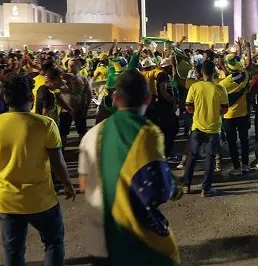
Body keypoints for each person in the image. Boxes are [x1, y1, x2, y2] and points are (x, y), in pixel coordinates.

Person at [78, 70, 182, 265]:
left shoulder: (90, 136)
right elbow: (156, 192)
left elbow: (84, 185)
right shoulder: (146, 132)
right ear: (148, 99)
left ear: (115, 98)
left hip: (99, 240)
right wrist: (175, 187)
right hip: (136, 240)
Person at [0, 75, 75, 265]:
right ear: (31, 98)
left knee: (13, 250)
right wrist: (67, 184)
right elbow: (57, 161)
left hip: (8, 200)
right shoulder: (46, 124)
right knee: (53, 243)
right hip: (42, 199)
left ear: (5, 99)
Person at [183, 60, 228, 197]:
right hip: (213, 128)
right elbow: (225, 109)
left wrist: (197, 113)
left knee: (192, 156)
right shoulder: (220, 88)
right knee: (210, 158)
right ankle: (205, 189)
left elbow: (188, 106)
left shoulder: (195, 87)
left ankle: (186, 186)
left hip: (197, 127)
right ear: (214, 72)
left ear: (202, 72)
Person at [219, 53, 251, 176]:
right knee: (244, 141)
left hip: (228, 117)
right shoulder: (245, 76)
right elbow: (246, 67)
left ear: (227, 68)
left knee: (232, 143)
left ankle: (236, 167)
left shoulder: (223, 84)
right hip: (243, 114)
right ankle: (246, 165)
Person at [60, 58, 92, 148]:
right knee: (63, 132)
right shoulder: (62, 78)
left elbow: (89, 95)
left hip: (79, 109)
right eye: (69, 65)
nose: (70, 67)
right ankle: (61, 152)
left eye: (74, 65)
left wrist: (86, 108)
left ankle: (83, 150)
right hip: (65, 110)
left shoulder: (83, 79)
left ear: (79, 67)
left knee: (82, 131)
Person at [155, 57, 180, 161]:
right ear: (168, 66)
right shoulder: (162, 76)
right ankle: (167, 154)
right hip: (164, 107)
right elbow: (163, 91)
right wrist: (173, 101)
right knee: (171, 130)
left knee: (169, 130)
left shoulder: (165, 75)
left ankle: (166, 153)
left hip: (166, 107)